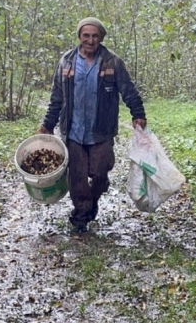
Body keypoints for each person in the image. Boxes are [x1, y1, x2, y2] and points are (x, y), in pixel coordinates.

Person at [38, 17, 146, 234]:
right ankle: (81, 216)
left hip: (101, 131)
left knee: (100, 172)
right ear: (79, 37)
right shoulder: (66, 62)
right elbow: (57, 98)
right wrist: (47, 125)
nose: (90, 40)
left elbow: (128, 90)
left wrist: (138, 113)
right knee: (77, 177)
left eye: (95, 36)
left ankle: (93, 199)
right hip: (74, 131)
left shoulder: (112, 62)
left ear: (101, 38)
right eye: (86, 35)